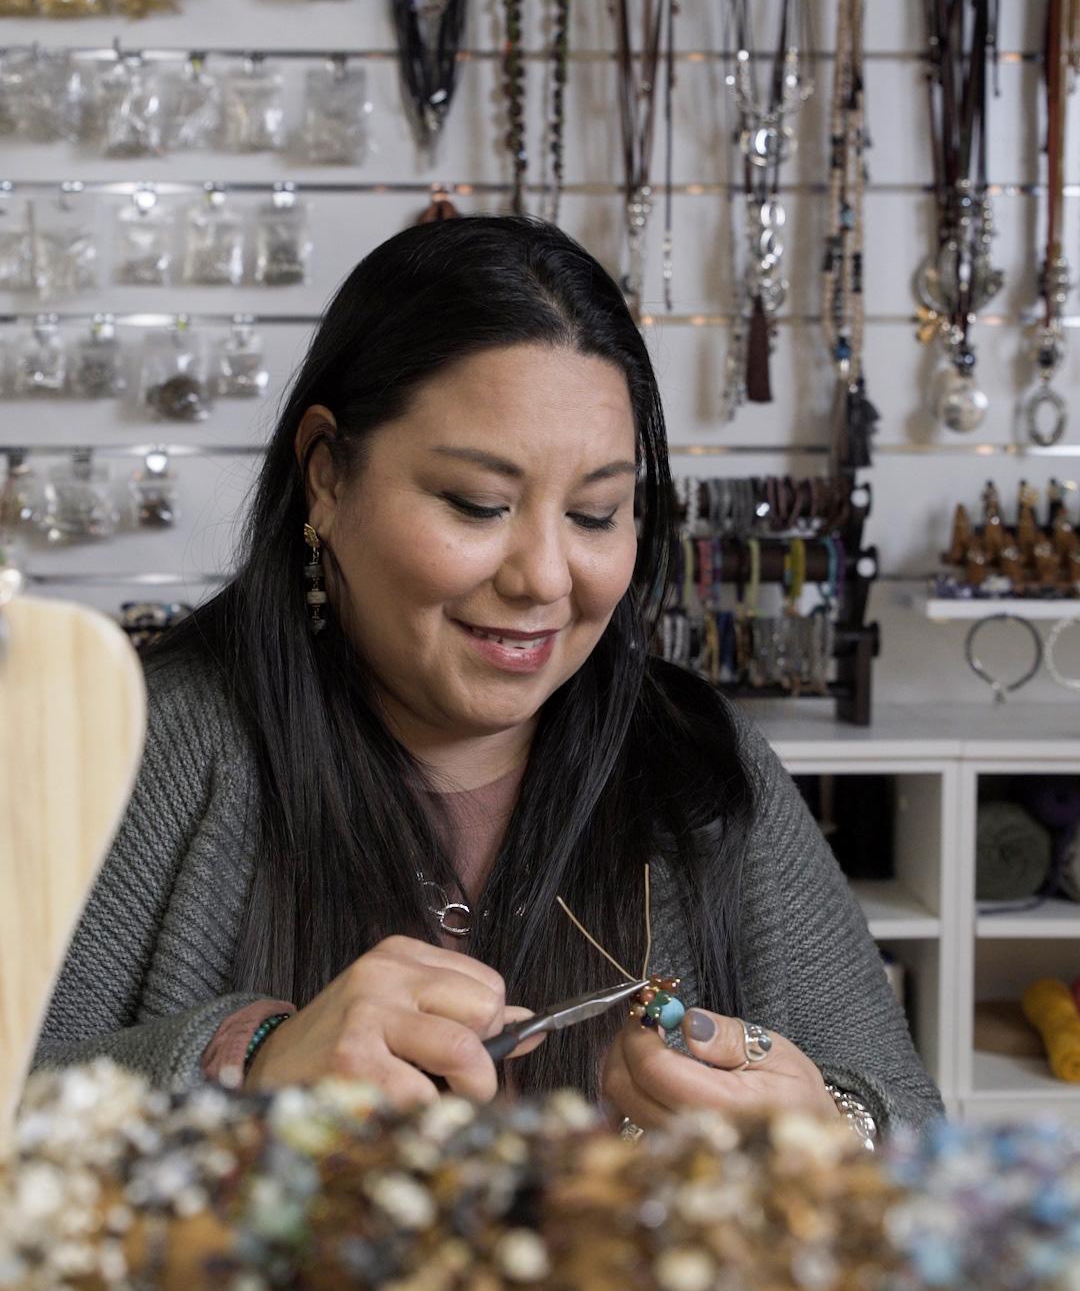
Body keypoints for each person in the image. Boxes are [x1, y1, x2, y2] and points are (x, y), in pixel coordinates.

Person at [35, 217, 941, 1136]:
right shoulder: (137, 755)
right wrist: (242, 1060)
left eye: (596, 514)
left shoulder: (698, 766)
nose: (544, 577)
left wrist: (841, 1133)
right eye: (478, 505)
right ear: (327, 477)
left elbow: (912, 1133)